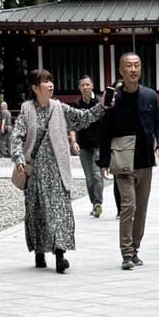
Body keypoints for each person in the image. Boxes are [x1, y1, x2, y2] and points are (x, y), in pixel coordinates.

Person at [10, 67, 104, 273]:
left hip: (57, 170)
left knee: (60, 211)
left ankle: (60, 254)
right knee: (37, 212)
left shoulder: (59, 108)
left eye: (51, 80)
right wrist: (18, 158)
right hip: (34, 172)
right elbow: (16, 136)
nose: (50, 84)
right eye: (45, 81)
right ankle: (39, 251)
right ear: (34, 87)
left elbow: (84, 117)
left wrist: (102, 106)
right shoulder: (27, 110)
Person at [98, 51, 159, 270]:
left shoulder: (149, 96)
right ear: (121, 70)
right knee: (128, 205)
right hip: (122, 160)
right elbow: (105, 129)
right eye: (128, 66)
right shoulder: (113, 98)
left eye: (136, 65)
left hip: (145, 159)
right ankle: (126, 253)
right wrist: (103, 161)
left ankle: (135, 249)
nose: (133, 69)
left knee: (141, 208)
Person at [72, 74, 106, 215]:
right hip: (84, 146)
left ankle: (98, 203)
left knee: (97, 175)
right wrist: (73, 141)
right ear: (79, 88)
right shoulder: (76, 105)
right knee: (89, 178)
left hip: (99, 144)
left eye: (88, 84)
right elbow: (72, 125)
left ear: (92, 86)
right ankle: (94, 204)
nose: (85, 87)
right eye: (82, 85)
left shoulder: (99, 102)